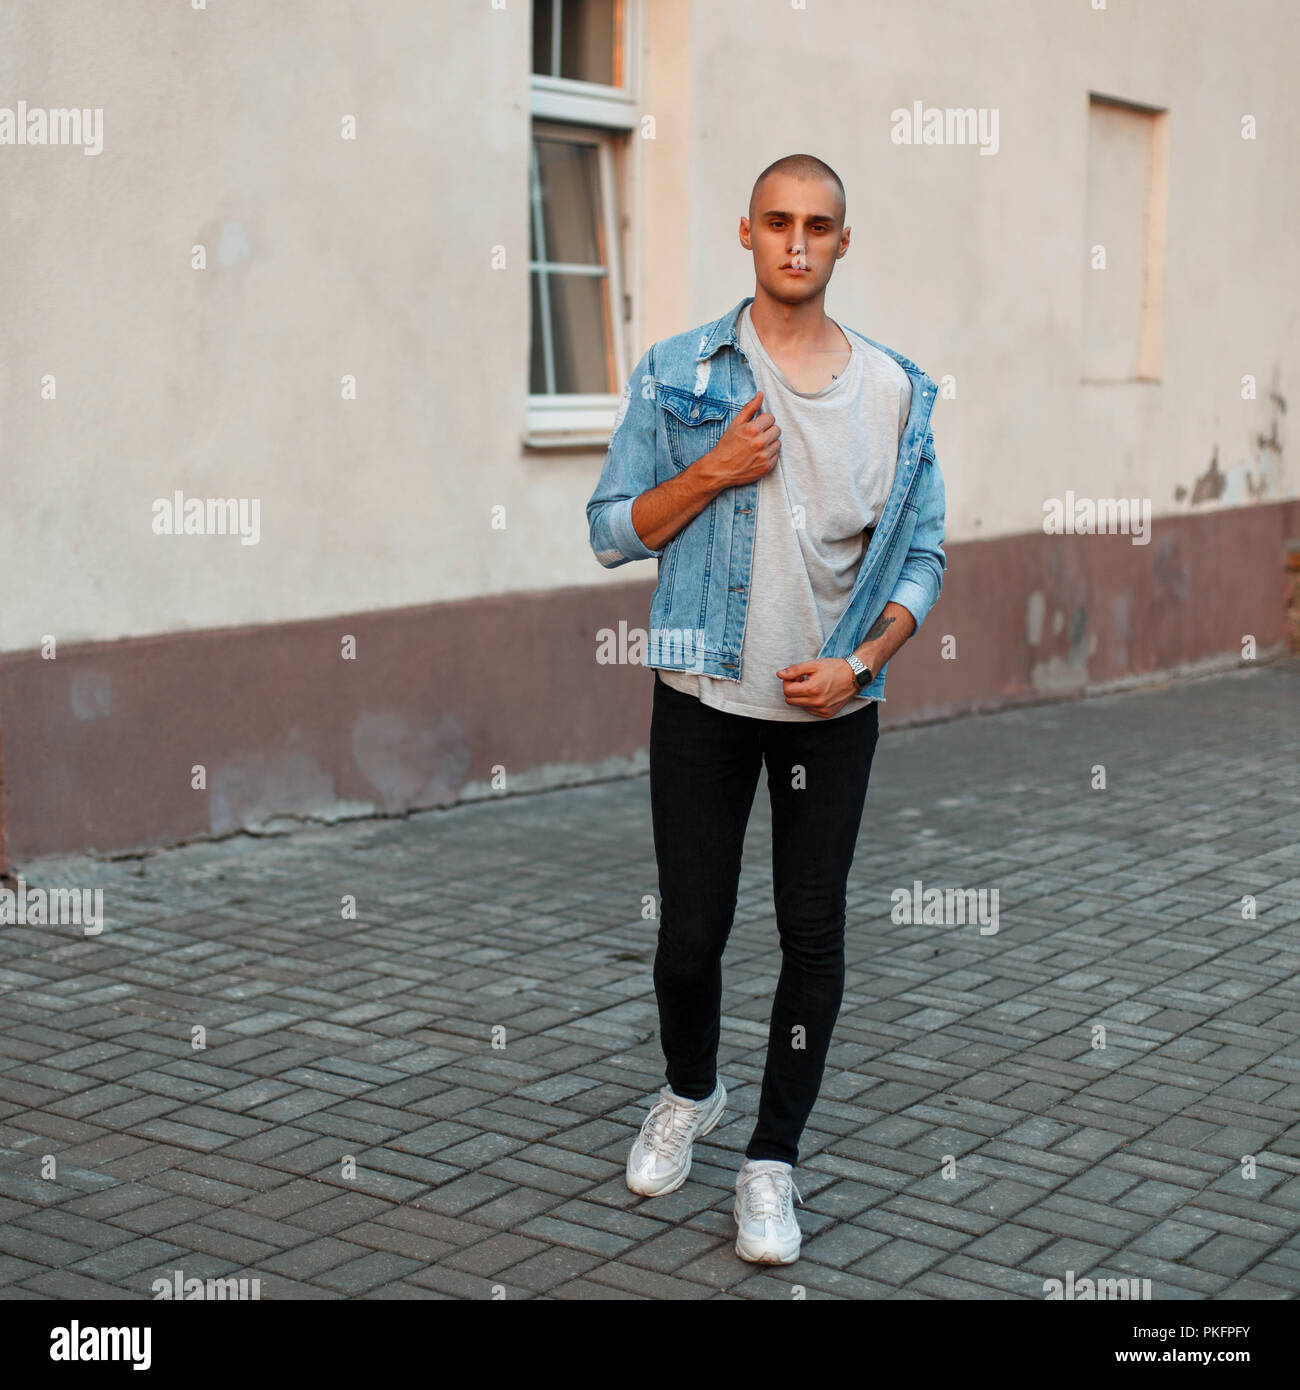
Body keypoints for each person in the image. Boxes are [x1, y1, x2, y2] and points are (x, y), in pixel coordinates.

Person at [585, 153, 947, 1265]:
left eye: (819, 225)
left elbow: (919, 558)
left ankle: (770, 1163)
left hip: (830, 714)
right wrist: (712, 471)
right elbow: (609, 528)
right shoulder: (676, 371)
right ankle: (689, 1090)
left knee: (812, 932)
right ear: (745, 233)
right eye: (778, 222)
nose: (798, 242)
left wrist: (866, 662)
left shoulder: (895, 392)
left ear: (845, 242)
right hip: (702, 692)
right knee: (690, 934)